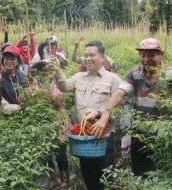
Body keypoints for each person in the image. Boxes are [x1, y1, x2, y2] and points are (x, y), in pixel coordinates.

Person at [94, 38, 172, 176]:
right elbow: (119, 93)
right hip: (139, 133)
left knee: (162, 172)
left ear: (161, 55)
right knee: (139, 171)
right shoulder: (135, 73)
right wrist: (105, 116)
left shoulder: (169, 74)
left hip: (163, 134)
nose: (146, 59)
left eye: (151, 55)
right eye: (143, 55)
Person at [52, 40, 121, 190]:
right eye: (85, 55)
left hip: (104, 135)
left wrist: (100, 112)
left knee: (106, 177)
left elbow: (119, 107)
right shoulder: (78, 77)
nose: (88, 58)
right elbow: (64, 86)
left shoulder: (112, 79)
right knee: (89, 177)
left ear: (102, 57)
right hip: (84, 136)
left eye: (92, 55)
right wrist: (57, 70)